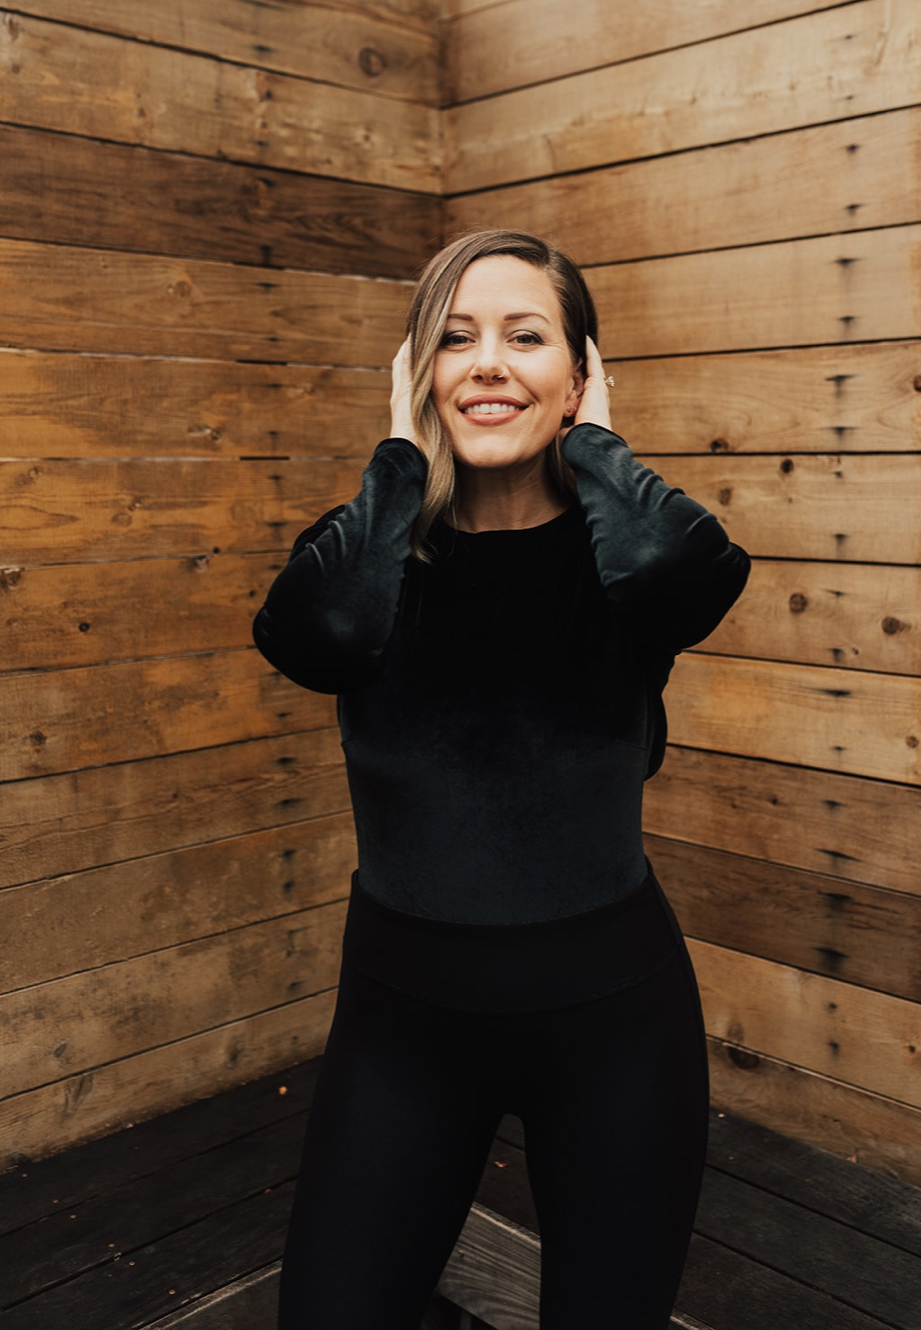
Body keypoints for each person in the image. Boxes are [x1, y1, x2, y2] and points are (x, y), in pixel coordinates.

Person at [253, 229, 750, 1329]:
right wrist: (398, 454)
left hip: (616, 1031)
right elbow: (314, 635)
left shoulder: (624, 563)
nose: (486, 363)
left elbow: (689, 570)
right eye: (454, 339)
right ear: (417, 375)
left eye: (526, 338)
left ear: (579, 375)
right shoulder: (369, 554)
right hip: (401, 1034)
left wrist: (599, 442)